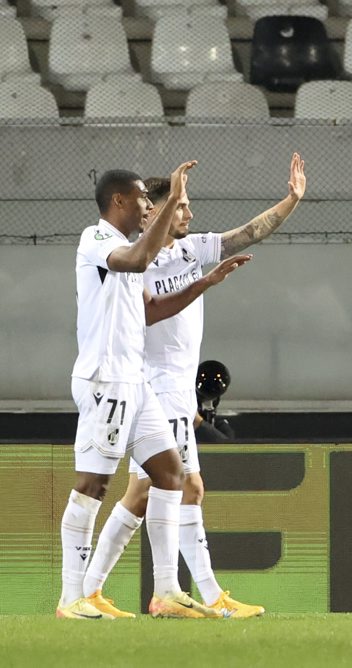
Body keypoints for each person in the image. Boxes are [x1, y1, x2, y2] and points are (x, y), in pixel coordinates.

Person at [80, 153, 306, 619]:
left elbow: (247, 233)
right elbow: (143, 310)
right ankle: (200, 594)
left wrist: (290, 200)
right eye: (180, 207)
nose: (188, 214)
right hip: (155, 385)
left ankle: (97, 590)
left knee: (154, 492)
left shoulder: (190, 249)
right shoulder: (136, 257)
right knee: (181, 487)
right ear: (157, 210)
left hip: (175, 389)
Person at [59, 162, 251, 620]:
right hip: (105, 380)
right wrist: (175, 195)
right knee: (93, 486)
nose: (149, 205)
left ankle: (166, 591)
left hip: (136, 383)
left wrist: (205, 282)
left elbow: (154, 308)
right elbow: (142, 259)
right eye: (144, 198)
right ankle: (72, 598)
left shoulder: (128, 247)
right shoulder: (99, 240)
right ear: (119, 201)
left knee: (172, 475)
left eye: (152, 198)